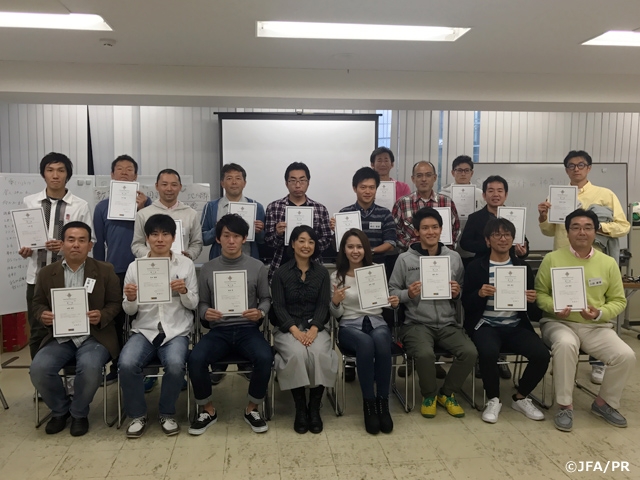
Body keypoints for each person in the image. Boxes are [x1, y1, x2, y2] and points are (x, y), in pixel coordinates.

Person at [535, 209, 635, 432]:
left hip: (595, 326)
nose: (582, 232)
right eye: (576, 227)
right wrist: (554, 307)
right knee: (566, 344)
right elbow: (540, 294)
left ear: (595, 231)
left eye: (588, 227)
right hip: (558, 323)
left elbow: (619, 301)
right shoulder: (552, 259)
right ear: (568, 232)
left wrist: (599, 313)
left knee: (625, 355)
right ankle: (564, 405)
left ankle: (604, 403)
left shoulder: (608, 263)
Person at [537, 150, 631, 385]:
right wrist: (543, 216)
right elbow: (549, 231)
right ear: (566, 170)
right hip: (563, 262)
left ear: (589, 168)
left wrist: (597, 228)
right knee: (565, 310)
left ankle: (598, 363)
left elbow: (623, 226)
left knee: (594, 309)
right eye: (571, 165)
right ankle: (563, 360)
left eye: (581, 165)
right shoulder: (557, 196)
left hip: (594, 261)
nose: (576, 169)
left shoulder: (605, 194)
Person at [29, 222, 120, 436]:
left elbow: (115, 303)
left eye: (81, 240)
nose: (76, 245)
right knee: (39, 369)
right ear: (62, 244)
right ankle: (60, 410)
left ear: (90, 245)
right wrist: (43, 315)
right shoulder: (46, 273)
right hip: (60, 336)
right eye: (71, 240)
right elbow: (37, 303)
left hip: (94, 336)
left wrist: (102, 315)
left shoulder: (105, 270)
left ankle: (79, 413)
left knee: (90, 367)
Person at [188, 214, 273, 435]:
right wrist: (206, 312)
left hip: (248, 329)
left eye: (236, 236)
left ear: (245, 238)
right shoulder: (208, 268)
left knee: (265, 356)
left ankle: (252, 408)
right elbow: (202, 303)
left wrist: (260, 312)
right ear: (218, 239)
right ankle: (207, 410)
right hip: (219, 330)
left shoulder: (257, 267)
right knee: (195, 358)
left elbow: (266, 299)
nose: (231, 241)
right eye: (226, 236)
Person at [389, 207, 476, 419]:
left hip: (447, 323)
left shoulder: (453, 257)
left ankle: (447, 393)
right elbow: (392, 292)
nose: (430, 232)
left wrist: (457, 292)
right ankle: (429, 396)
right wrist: (408, 294)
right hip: (416, 323)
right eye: (425, 228)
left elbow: (463, 289)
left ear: (441, 229)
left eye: (435, 227)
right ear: (417, 232)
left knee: (470, 352)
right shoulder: (405, 259)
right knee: (425, 354)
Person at [462, 218, 549, 424]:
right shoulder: (476, 267)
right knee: (488, 352)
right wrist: (479, 294)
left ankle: (521, 397)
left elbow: (534, 314)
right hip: (486, 325)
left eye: (507, 235)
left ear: (513, 239)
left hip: (515, 325)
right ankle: (493, 399)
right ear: (487, 240)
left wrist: (532, 301)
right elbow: (466, 303)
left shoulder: (522, 267)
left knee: (542, 354)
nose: (503, 239)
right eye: (497, 235)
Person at [119, 214, 199, 438]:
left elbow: (193, 304)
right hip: (144, 330)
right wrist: (131, 298)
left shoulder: (186, 265)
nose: (160, 239)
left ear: (173, 238)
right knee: (126, 363)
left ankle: (167, 413)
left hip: (176, 330)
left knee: (175, 364)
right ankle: (137, 415)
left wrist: (184, 291)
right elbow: (129, 311)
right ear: (147, 238)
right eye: (154, 234)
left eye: (165, 234)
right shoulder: (135, 267)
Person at [20, 152, 93, 360]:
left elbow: (90, 244)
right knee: (38, 330)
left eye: (61, 170)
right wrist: (25, 250)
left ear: (67, 175)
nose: (55, 175)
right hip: (37, 277)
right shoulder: (30, 202)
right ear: (43, 174)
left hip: (70, 277)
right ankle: (41, 376)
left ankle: (72, 376)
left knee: (73, 327)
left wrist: (63, 248)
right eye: (50, 170)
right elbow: (24, 236)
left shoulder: (80, 205)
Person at [330, 228, 399, 434]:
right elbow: (336, 314)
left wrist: (393, 302)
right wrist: (335, 302)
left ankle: (382, 403)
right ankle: (369, 404)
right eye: (350, 246)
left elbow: (385, 303)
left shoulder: (376, 270)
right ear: (344, 249)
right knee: (366, 343)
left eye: (359, 247)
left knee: (381, 340)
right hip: (349, 326)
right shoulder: (336, 276)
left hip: (376, 321)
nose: (355, 251)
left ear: (366, 249)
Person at [271, 225, 337, 434]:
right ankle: (300, 408)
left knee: (320, 354)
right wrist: (295, 331)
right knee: (296, 354)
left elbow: (323, 304)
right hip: (287, 327)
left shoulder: (322, 273)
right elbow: (278, 306)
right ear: (292, 243)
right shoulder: (280, 273)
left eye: (311, 241)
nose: (306, 245)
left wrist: (315, 328)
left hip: (316, 326)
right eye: (301, 240)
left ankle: (314, 407)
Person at [93, 155, 151, 382]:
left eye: (129, 170)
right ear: (112, 175)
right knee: (116, 319)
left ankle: (142, 365)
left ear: (136, 176)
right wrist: (99, 272)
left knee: (141, 317)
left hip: (144, 269)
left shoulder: (148, 204)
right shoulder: (102, 207)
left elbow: (157, 236)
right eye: (120, 169)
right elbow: (98, 243)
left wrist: (142, 208)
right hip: (114, 270)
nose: (124, 173)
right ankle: (118, 364)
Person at [264, 162, 331, 281]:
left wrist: (309, 245)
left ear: (308, 183)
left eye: (302, 180)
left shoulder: (320, 209)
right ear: (286, 183)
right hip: (282, 267)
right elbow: (269, 241)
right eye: (293, 180)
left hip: (313, 269)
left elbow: (327, 239)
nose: (298, 185)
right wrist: (278, 234)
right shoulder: (273, 208)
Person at [131, 168, 203, 261]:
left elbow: (197, 243)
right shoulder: (143, 214)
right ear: (157, 186)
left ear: (180, 187)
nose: (169, 189)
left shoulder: (191, 214)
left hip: (181, 265)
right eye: (164, 184)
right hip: (152, 265)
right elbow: (137, 244)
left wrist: (189, 255)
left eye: (174, 185)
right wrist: (151, 256)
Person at [331, 167, 396, 265]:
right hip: (350, 266)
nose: (367, 191)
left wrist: (369, 251)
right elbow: (338, 246)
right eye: (363, 187)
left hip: (376, 265)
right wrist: (336, 231)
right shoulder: (344, 213)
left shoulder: (385, 214)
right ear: (354, 188)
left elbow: (390, 244)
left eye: (372, 187)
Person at [201, 163, 265, 260]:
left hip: (249, 261)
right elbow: (203, 239)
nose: (234, 182)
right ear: (222, 183)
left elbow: (263, 241)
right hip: (219, 262)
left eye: (238, 178)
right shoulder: (211, 207)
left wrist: (259, 232)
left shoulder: (257, 207)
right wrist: (217, 229)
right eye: (229, 178)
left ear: (244, 183)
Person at [392, 161, 460, 252]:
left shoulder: (447, 202)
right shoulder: (402, 203)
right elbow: (395, 231)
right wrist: (412, 247)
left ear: (434, 178)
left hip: (442, 254)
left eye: (428, 175)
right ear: (413, 179)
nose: (424, 179)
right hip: (411, 255)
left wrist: (445, 250)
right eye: (419, 176)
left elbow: (456, 229)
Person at [439, 155, 485, 264]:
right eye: (459, 170)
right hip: (449, 248)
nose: (463, 174)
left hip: (474, 249)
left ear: (472, 173)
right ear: (452, 172)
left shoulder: (481, 195)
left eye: (466, 170)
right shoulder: (442, 196)